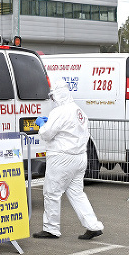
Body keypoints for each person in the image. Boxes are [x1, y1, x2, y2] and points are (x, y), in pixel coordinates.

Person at [32, 78, 104, 240]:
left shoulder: (60, 112)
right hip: (79, 157)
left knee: (52, 193)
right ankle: (93, 225)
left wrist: (42, 125)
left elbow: (47, 134)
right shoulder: (79, 111)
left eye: (53, 97)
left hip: (62, 158)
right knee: (77, 194)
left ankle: (51, 228)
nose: (52, 100)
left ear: (58, 96)